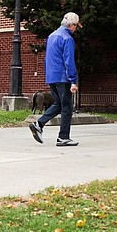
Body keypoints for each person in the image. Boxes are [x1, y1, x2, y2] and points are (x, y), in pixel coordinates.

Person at [29, 12, 80, 147]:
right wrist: (73, 81)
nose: (76, 29)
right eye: (76, 26)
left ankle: (38, 124)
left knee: (58, 104)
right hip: (63, 77)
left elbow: (48, 59)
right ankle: (63, 137)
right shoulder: (67, 38)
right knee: (67, 106)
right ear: (71, 25)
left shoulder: (52, 36)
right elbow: (69, 61)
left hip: (52, 77)